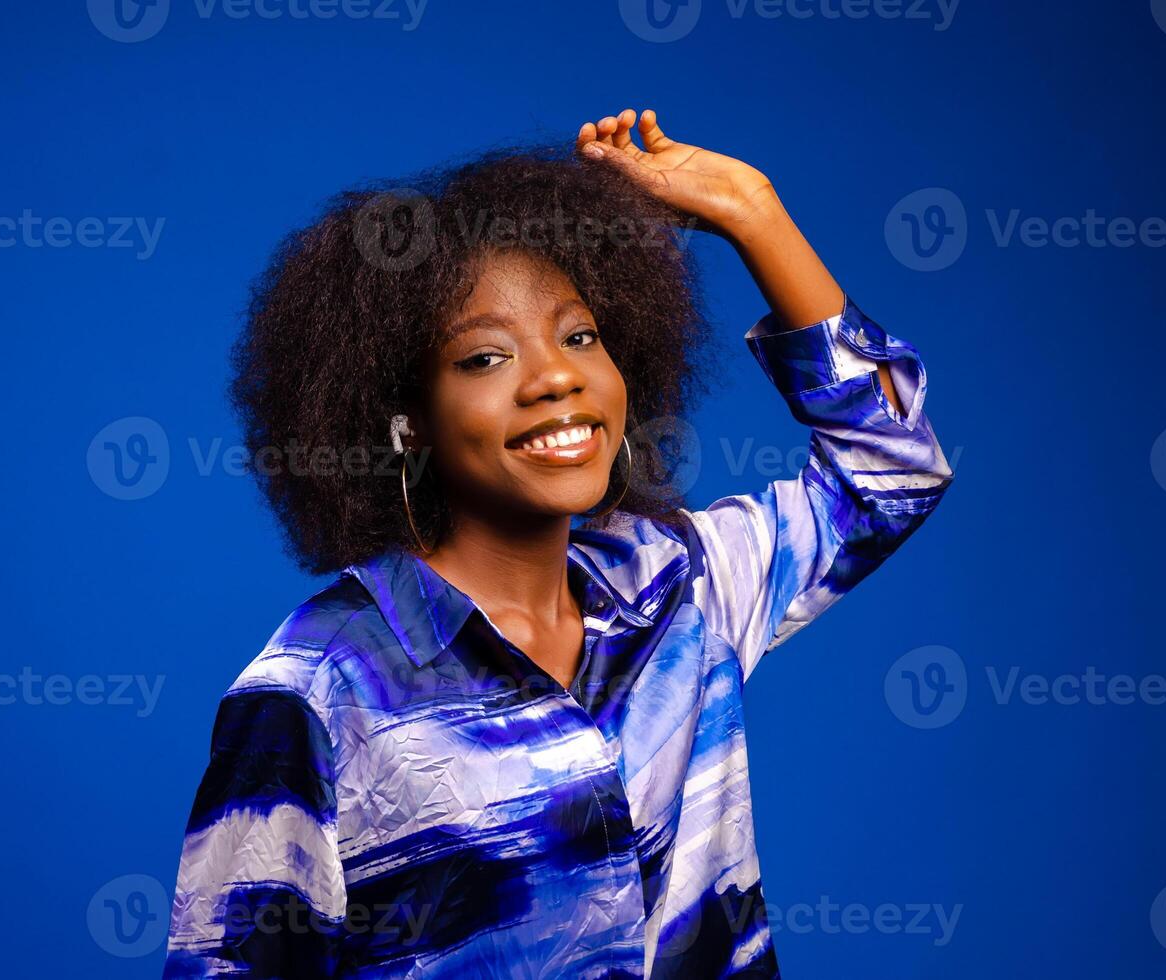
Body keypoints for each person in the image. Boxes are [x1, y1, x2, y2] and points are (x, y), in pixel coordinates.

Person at [162, 108, 954, 978]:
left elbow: (891, 468)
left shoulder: (675, 590)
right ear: (405, 423)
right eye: (485, 359)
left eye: (580, 336)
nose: (555, 377)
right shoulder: (316, 691)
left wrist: (749, 209)